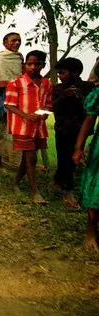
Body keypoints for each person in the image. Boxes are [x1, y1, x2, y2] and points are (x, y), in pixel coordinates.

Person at [4, 50, 52, 204]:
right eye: (29, 63)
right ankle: (35, 192)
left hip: (38, 127)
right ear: (25, 65)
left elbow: (48, 104)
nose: (32, 67)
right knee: (31, 158)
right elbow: (9, 105)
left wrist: (45, 114)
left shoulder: (47, 84)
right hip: (22, 127)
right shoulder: (16, 83)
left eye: (36, 64)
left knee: (27, 159)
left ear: (43, 65)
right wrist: (26, 115)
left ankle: (15, 183)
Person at [52, 58, 95, 208]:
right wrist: (64, 95)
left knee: (72, 160)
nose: (60, 76)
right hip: (62, 130)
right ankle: (66, 190)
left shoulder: (88, 88)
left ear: (75, 72)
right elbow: (51, 107)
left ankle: (61, 183)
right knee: (63, 158)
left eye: (62, 73)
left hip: (79, 131)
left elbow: (92, 107)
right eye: (58, 73)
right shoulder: (58, 89)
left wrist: (79, 98)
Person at [73, 86, 99, 251]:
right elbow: (88, 122)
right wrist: (78, 148)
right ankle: (91, 231)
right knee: (96, 189)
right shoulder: (97, 95)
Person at [0, 32, 23, 168]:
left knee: (16, 130)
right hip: (3, 96)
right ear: (5, 43)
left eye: (18, 41)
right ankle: (2, 159)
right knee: (3, 129)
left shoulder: (19, 58)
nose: (16, 43)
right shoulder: (1, 57)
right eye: (13, 40)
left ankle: (14, 161)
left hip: (19, 96)